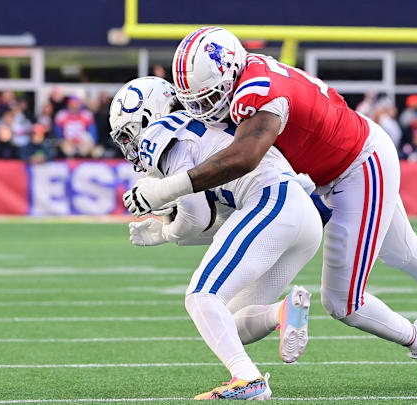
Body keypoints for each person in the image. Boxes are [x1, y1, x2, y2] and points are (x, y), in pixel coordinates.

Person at [125, 27, 417, 388]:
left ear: (230, 74)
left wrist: (163, 191)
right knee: (404, 250)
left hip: (357, 166)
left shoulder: (257, 92)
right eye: (195, 102)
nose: (205, 110)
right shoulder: (245, 75)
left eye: (210, 98)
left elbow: (241, 158)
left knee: (344, 301)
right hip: (339, 166)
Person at [111, 77, 323, 400]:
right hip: (301, 215)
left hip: (272, 200)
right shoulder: (198, 126)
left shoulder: (164, 132)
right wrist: (167, 229)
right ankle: (283, 312)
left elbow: (194, 215)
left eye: (128, 133)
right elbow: (213, 222)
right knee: (229, 322)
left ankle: (248, 379)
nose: (129, 145)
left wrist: (168, 231)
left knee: (201, 295)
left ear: (147, 115)